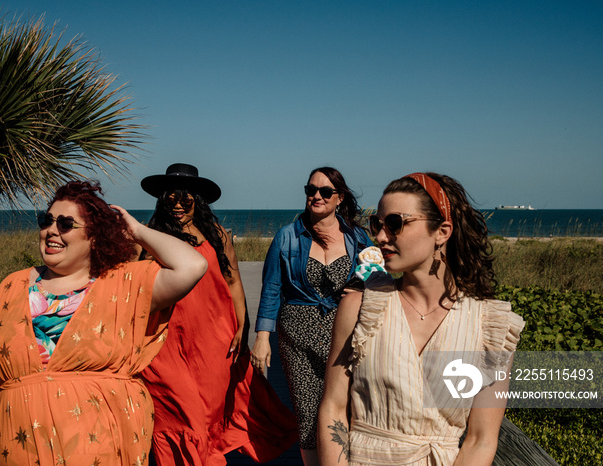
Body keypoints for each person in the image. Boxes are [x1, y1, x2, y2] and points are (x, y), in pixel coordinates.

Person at [0, 180, 208, 465]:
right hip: (15, 446)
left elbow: (192, 266)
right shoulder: (12, 286)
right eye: (47, 221)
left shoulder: (124, 282)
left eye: (66, 224)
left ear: (94, 236)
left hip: (100, 446)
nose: (52, 231)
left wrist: (137, 230)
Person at [318, 173, 526, 465]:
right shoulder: (360, 308)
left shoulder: (491, 327)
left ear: (441, 231)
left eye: (395, 223)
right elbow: (333, 408)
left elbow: (481, 439)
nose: (380, 237)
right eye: (377, 224)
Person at [139, 163, 298, 466]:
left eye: (186, 199)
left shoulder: (218, 237)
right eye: (170, 198)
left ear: (198, 201)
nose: (177, 205)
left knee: (209, 413)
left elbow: (235, 283)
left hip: (213, 342)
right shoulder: (149, 239)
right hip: (165, 344)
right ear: (162, 200)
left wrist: (243, 328)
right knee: (179, 414)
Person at [251, 167, 372, 466]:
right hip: (297, 336)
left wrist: (357, 288)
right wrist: (262, 337)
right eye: (311, 190)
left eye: (325, 191)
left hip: (345, 335)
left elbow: (377, 277)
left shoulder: (358, 238)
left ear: (339, 198)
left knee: (348, 407)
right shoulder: (288, 236)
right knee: (307, 412)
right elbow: (272, 288)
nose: (316, 196)